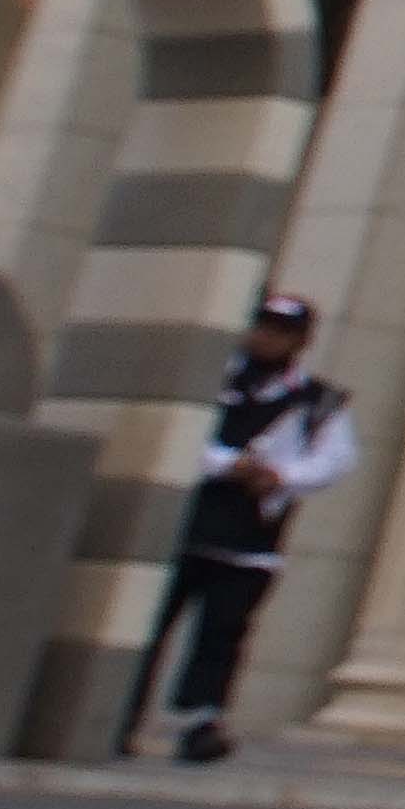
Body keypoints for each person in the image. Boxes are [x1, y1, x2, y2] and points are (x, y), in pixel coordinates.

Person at [135, 292, 358, 764]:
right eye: (262, 327)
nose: (266, 338)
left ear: (300, 341)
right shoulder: (213, 379)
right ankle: (121, 713)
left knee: (222, 634)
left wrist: (282, 477)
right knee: (148, 626)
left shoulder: (318, 401)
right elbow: (175, 430)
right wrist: (228, 464)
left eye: (280, 331)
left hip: (250, 541)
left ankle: (200, 722)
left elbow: (336, 460)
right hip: (184, 527)